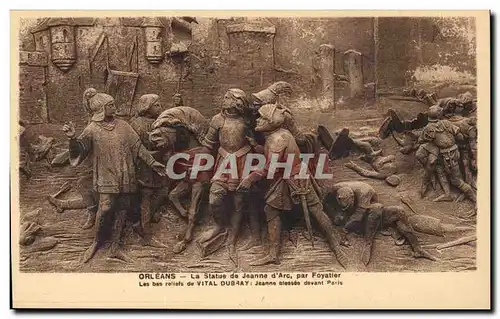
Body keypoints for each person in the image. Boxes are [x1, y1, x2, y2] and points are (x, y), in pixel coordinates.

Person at [236, 104, 349, 269]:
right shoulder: (280, 134)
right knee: (279, 209)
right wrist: (256, 145)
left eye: (262, 117)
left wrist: (249, 179)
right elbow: (275, 157)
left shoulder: (277, 140)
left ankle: (336, 246)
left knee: (315, 211)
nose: (258, 120)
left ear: (271, 122)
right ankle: (275, 255)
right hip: (292, 175)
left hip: (294, 179)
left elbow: (270, 169)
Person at [63, 91, 167, 263]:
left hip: (126, 174)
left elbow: (138, 147)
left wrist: (153, 163)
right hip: (106, 175)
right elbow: (80, 151)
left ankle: (115, 247)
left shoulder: (123, 125)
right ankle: (96, 242)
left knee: (122, 209)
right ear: (102, 109)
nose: (114, 106)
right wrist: (72, 138)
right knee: (105, 208)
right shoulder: (92, 129)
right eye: (110, 105)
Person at [197, 88, 257, 264]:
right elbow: (209, 144)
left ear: (238, 102)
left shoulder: (247, 120)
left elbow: (255, 140)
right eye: (226, 98)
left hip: (242, 160)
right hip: (224, 161)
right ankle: (219, 225)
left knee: (239, 201)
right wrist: (199, 163)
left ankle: (232, 239)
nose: (225, 101)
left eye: (228, 98)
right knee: (215, 198)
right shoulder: (218, 120)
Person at [324, 181, 438, 266]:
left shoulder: (364, 192)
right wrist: (335, 216)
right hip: (349, 218)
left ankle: (417, 249)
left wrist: (345, 229)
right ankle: (369, 238)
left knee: (395, 211)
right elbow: (325, 203)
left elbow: (358, 216)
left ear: (353, 197)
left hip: (368, 218)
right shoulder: (335, 189)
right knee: (344, 217)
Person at [47, 88, 99, 229]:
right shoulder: (92, 119)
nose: (90, 102)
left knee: (85, 185)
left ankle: (90, 212)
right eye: (88, 99)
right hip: (96, 160)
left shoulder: (101, 120)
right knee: (91, 190)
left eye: (93, 98)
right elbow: (86, 141)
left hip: (108, 164)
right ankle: (64, 205)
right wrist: (73, 140)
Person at [129, 94, 169, 247]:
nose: (160, 108)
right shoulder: (138, 124)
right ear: (147, 108)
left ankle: (146, 218)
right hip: (144, 165)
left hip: (156, 163)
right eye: (157, 105)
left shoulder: (157, 122)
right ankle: (146, 233)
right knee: (146, 196)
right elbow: (137, 148)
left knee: (163, 191)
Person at [415, 105, 476, 203]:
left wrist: (436, 141)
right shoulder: (446, 123)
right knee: (440, 170)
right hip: (452, 153)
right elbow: (459, 136)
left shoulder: (428, 128)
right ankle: (447, 194)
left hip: (449, 156)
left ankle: (476, 200)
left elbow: (421, 140)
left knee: (456, 180)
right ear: (439, 115)